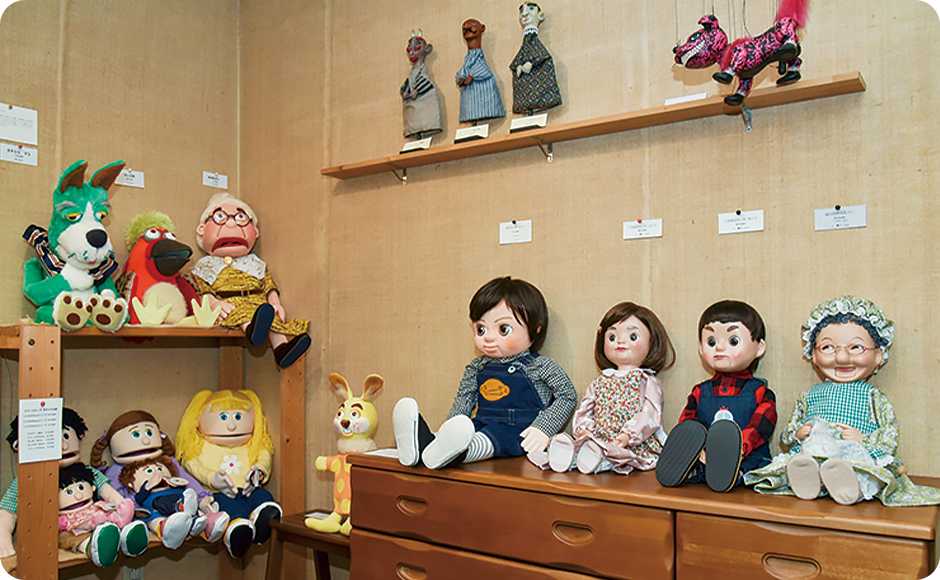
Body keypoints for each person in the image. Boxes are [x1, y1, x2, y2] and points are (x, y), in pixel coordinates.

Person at [745, 296, 940, 506]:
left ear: (878, 355)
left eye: (856, 347)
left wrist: (863, 439)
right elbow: (789, 431)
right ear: (813, 354)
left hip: (854, 453)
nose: (842, 358)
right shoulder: (810, 395)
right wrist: (799, 433)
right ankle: (808, 480)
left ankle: (849, 486)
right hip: (816, 449)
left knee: (862, 470)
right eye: (828, 348)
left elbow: (889, 434)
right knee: (803, 460)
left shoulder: (872, 396)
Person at [394, 276, 576, 469]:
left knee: (489, 438)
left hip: (519, 433)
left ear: (536, 328)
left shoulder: (540, 366)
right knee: (467, 430)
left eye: (503, 329)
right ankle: (424, 444)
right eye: (481, 329)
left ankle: (453, 453)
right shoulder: (477, 367)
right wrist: (451, 424)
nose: (488, 338)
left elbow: (567, 395)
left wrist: (543, 428)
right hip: (481, 423)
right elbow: (464, 399)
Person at [532, 302, 674, 474]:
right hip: (597, 441)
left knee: (614, 455)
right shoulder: (600, 382)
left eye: (633, 336)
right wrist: (584, 431)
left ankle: (589, 459)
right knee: (590, 449)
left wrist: (627, 435)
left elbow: (650, 414)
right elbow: (585, 409)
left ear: (652, 342)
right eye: (612, 337)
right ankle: (569, 456)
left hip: (631, 443)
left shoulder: (647, 381)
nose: (620, 341)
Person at [656, 300, 776, 492]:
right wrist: (695, 449)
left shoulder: (759, 391)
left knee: (751, 468)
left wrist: (740, 448)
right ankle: (693, 468)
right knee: (692, 440)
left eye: (733, 341)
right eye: (711, 342)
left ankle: (733, 473)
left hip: (748, 457)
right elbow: (689, 426)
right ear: (701, 348)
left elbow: (761, 426)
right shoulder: (700, 391)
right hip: (706, 457)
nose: (719, 348)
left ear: (759, 348)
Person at [189, 192, 310, 368]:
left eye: (240, 218)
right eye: (220, 217)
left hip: (259, 303)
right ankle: (253, 331)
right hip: (229, 304)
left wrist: (275, 302)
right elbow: (201, 288)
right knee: (243, 314)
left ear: (256, 231)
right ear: (202, 229)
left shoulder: (255, 263)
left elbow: (268, 284)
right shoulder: (205, 265)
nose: (231, 223)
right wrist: (213, 303)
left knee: (272, 320)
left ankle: (282, 350)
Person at [176, 389, 283, 558]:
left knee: (263, 496)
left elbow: (264, 458)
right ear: (198, 420)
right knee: (230, 508)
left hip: (248, 490)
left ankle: (262, 518)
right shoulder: (199, 447)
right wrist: (212, 478)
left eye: (238, 417)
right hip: (217, 494)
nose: (232, 426)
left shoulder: (253, 445)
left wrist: (258, 472)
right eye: (224, 417)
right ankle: (237, 530)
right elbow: (192, 465)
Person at [510, 2, 562, 115]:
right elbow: (521, 55)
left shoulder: (533, 40)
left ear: (540, 16)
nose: (524, 13)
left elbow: (542, 54)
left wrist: (532, 63)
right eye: (522, 11)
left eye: (531, 9)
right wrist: (518, 65)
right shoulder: (526, 41)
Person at [455, 19, 505, 124]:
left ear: (482, 28)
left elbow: (485, 71)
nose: (467, 28)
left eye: (473, 24)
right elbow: (465, 69)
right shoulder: (468, 58)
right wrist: (460, 78)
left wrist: (472, 77)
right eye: (464, 26)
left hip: (482, 94)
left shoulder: (478, 57)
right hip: (470, 97)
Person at [401, 29, 442, 139]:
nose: (412, 49)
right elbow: (408, 82)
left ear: (427, 49)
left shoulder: (422, 70)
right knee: (413, 116)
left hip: (423, 100)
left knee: (424, 114)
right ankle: (415, 130)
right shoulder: (412, 72)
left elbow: (426, 81)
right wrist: (405, 91)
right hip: (413, 101)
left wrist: (417, 90)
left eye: (417, 45)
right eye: (410, 46)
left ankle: (425, 127)